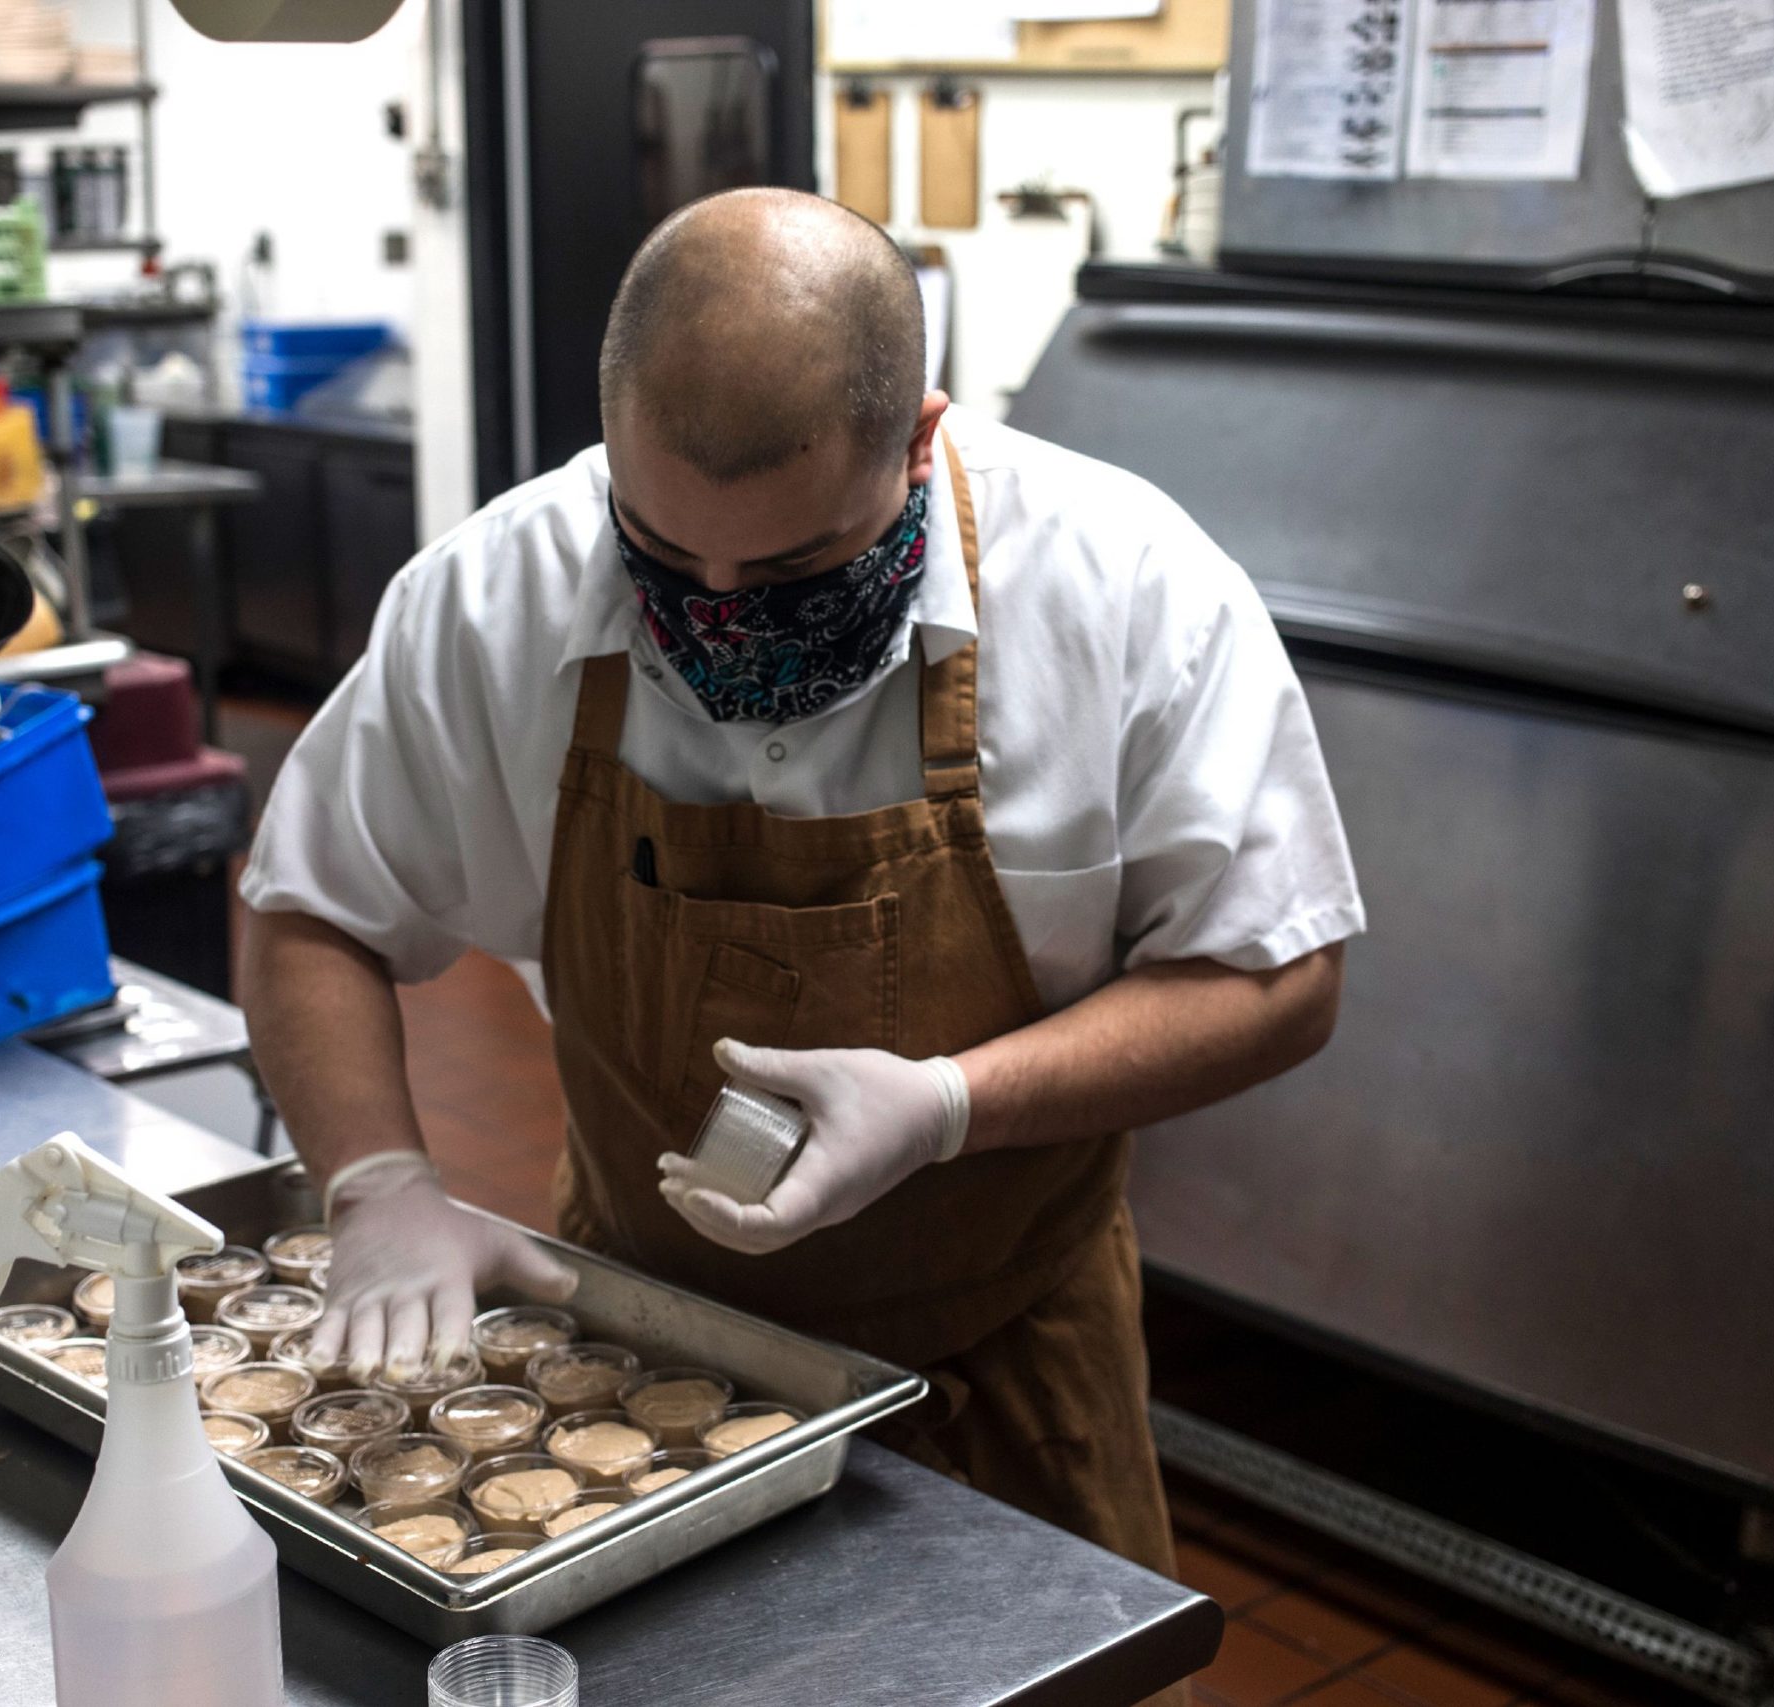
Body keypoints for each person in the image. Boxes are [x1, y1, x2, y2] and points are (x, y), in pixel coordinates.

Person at [241, 188, 1363, 1588]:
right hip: (626, 1336)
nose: (718, 607)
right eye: (662, 553)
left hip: (1008, 1340)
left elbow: (1279, 973)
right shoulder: (495, 597)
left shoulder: (1125, 589)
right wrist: (378, 1182)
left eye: (791, 567)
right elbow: (309, 907)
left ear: (922, 440)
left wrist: (952, 1106)